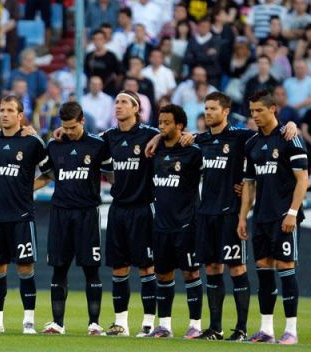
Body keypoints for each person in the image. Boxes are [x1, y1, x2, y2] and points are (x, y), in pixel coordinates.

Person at [193, 92, 296, 341]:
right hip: (206, 213)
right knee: (212, 268)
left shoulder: (242, 137)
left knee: (237, 267)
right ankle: (215, 328)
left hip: (230, 212)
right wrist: (157, 137)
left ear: (225, 111)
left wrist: (290, 124)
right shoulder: (200, 140)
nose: (208, 113)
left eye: (213, 108)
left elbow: (270, 134)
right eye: (206, 108)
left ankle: (241, 329)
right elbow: (173, 137)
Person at [34, 102, 113, 335]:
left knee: (91, 269)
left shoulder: (98, 145)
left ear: (82, 121)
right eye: (65, 127)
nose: (68, 132)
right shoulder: (54, 145)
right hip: (60, 213)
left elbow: (112, 175)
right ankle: (57, 323)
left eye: (72, 127)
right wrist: (24, 191)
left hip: (87, 213)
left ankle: (94, 323)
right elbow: (48, 176)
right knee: (59, 268)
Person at [239, 90, 308, 345]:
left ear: (272, 109)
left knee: (286, 268)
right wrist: (243, 218)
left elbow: (303, 180)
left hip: (284, 216)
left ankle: (291, 330)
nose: (254, 115)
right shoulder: (252, 144)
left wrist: (292, 212)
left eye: (259, 110)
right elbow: (249, 184)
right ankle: (266, 329)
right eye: (252, 111)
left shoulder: (290, 138)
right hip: (261, 217)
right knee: (264, 270)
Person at [0, 95, 51, 334]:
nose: (4, 114)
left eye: (10, 110)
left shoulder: (32, 142)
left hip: (20, 216)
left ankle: (28, 321)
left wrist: (28, 189)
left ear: (20, 115)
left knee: (25, 268)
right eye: (2, 110)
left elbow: (50, 173)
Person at [94, 91, 160, 337]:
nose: (118, 106)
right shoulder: (109, 137)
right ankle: (120, 323)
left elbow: (177, 136)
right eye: (116, 102)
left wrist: (161, 136)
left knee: (146, 268)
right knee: (119, 268)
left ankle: (148, 323)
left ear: (136, 108)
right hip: (118, 209)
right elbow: (85, 144)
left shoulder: (150, 134)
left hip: (143, 208)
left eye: (124, 102)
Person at [146, 104, 203, 338]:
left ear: (180, 125)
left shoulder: (193, 151)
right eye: (160, 122)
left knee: (191, 274)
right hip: (161, 225)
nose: (162, 126)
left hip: (186, 225)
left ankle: (195, 325)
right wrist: (157, 136)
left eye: (167, 123)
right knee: (163, 275)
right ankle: (164, 326)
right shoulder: (155, 150)